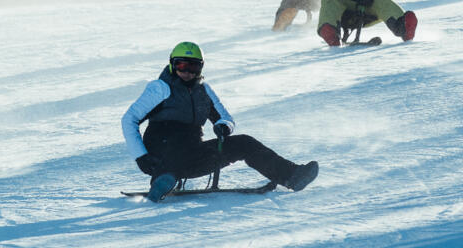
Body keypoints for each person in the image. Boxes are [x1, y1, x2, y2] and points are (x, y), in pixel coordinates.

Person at [121, 41, 319, 202]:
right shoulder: (160, 88)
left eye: (194, 67)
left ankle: (292, 176)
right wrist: (142, 157)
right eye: (182, 65)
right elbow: (129, 119)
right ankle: (162, 178)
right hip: (160, 155)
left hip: (193, 156)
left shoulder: (203, 91)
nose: (188, 72)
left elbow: (225, 118)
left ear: (201, 68)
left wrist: (223, 126)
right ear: (173, 64)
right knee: (174, 144)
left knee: (244, 142)